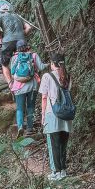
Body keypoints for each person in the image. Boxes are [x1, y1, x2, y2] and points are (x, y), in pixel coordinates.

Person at [40, 52, 73, 181]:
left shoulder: (47, 76)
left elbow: (44, 97)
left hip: (52, 113)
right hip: (66, 113)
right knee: (63, 143)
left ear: (52, 64)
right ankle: (63, 170)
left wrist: (43, 115)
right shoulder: (68, 76)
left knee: (53, 143)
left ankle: (56, 172)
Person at [10, 39, 43, 137]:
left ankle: (20, 126)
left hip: (19, 88)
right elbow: (41, 67)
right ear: (27, 46)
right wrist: (49, 64)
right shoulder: (33, 55)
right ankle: (29, 128)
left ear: (17, 48)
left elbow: (12, 72)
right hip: (32, 86)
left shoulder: (14, 58)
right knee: (30, 107)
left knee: (20, 108)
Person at [0, 3, 32, 85]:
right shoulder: (18, 16)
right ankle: (26, 79)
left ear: (1, 11)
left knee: (4, 63)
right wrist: (21, 34)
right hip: (21, 41)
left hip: (7, 41)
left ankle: (11, 84)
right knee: (23, 58)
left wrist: (0, 38)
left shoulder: (0, 16)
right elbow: (29, 27)